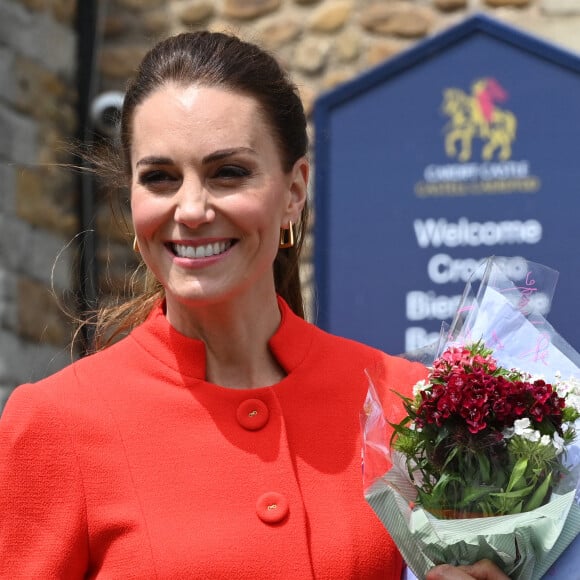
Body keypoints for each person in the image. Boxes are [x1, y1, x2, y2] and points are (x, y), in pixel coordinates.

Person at [0, 31, 509, 579]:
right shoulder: (57, 423)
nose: (191, 208)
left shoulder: (406, 401)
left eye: (228, 172)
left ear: (294, 192)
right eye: (160, 178)